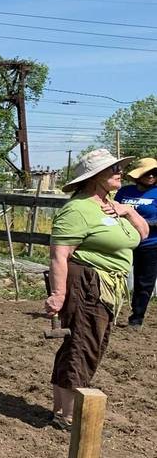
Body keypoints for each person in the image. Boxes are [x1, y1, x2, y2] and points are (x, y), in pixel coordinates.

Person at [46, 149, 148, 430]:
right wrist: (58, 294)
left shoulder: (113, 204)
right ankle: (67, 415)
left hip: (106, 286)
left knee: (86, 343)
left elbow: (143, 234)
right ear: (94, 177)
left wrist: (128, 211)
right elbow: (59, 256)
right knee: (83, 345)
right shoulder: (78, 209)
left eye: (119, 168)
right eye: (113, 169)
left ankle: (60, 409)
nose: (120, 173)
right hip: (87, 283)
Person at [114, 157, 157, 326]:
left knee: (143, 283)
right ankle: (108, 313)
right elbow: (113, 209)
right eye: (148, 173)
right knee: (115, 277)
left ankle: (137, 318)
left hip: (150, 245)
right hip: (122, 243)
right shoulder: (124, 192)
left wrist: (141, 222)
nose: (152, 176)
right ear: (138, 175)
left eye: (155, 173)